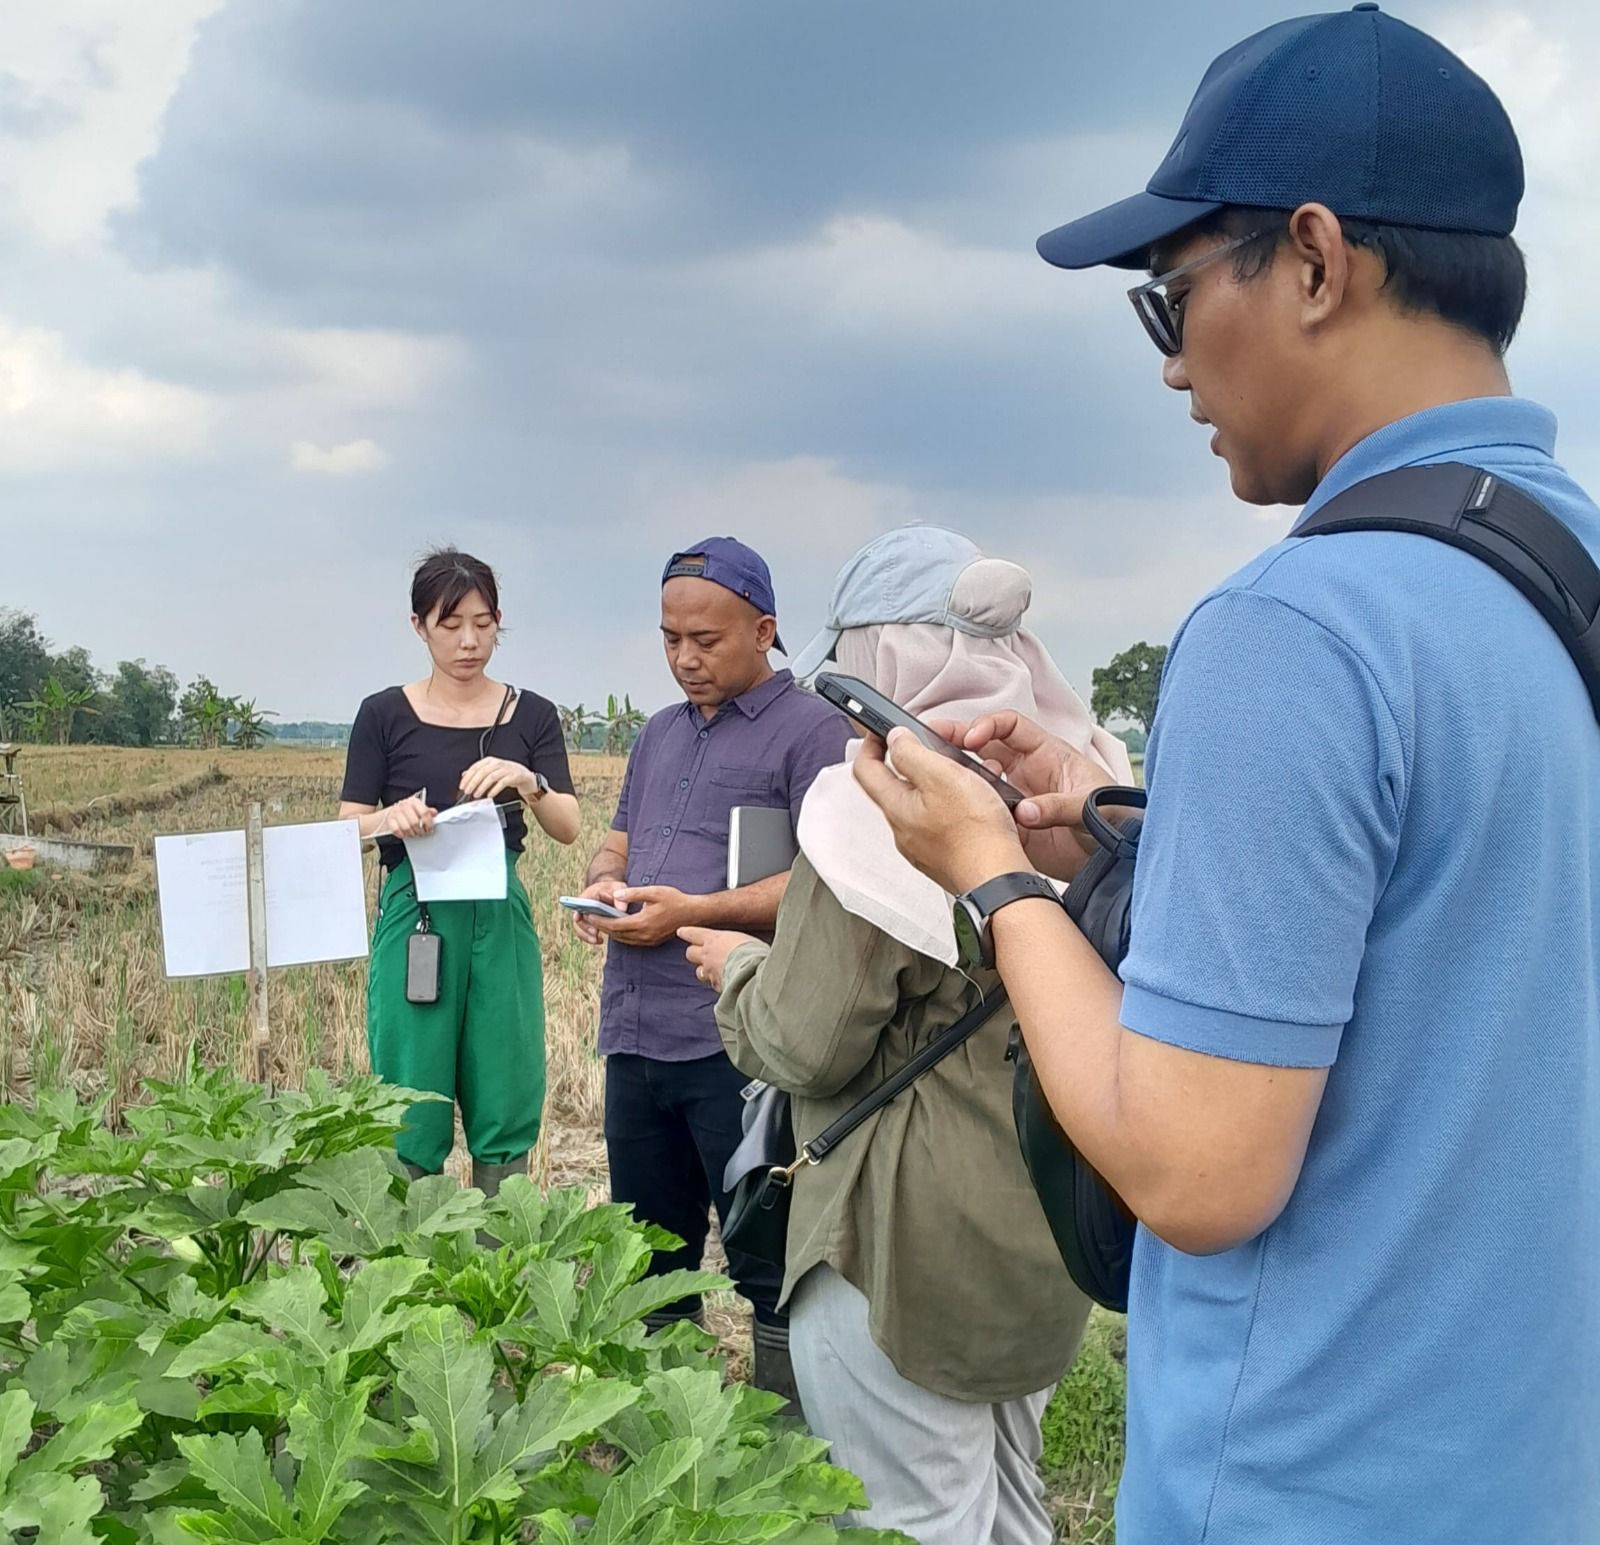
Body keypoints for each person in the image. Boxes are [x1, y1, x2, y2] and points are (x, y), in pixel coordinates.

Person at [854, 10, 1600, 1544]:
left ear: (1317, 262)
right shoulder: (1562, 568)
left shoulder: (1299, 625)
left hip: (1307, 1479)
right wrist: (1126, 845)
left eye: (1172, 298)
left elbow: (1197, 1167)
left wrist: (992, 875)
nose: (1175, 359)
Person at [680, 527, 1127, 1543]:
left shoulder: (880, 799)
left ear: (875, 657)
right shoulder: (1088, 779)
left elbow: (806, 1042)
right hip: (1043, 1226)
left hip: (900, 1241)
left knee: (906, 1518)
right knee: (1012, 1500)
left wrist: (735, 969)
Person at [571, 537, 852, 1401]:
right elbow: (619, 835)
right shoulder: (659, 733)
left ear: (764, 629)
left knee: (766, 1258)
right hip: (637, 1033)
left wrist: (691, 912)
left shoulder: (814, 733)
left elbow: (823, 883)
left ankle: (781, 1461)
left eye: (707, 639)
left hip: (738, 1041)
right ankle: (664, 1441)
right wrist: (602, 883)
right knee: (652, 1258)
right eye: (669, 639)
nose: (685, 658)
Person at [339, 548, 580, 1197]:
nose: (470, 640)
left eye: (483, 621)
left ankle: (495, 1270)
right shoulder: (384, 714)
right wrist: (392, 818)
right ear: (418, 626)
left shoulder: (531, 714)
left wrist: (528, 780)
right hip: (414, 913)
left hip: (499, 913)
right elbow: (347, 828)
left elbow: (568, 825)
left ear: (500, 621)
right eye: (451, 624)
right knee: (410, 1093)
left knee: (506, 1082)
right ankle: (410, 1273)